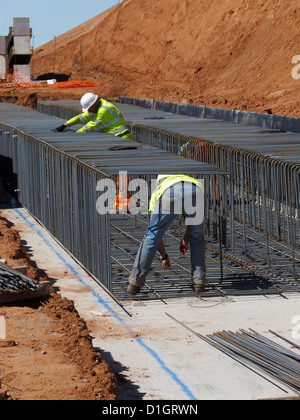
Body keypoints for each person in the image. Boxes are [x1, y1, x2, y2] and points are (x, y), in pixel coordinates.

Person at [127, 174, 206, 295]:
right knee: (197, 237)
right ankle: (199, 281)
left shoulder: (160, 189)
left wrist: (164, 256)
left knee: (152, 235)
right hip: (196, 192)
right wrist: (187, 237)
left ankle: (135, 282)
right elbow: (193, 224)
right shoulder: (190, 181)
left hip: (170, 193)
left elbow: (154, 234)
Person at [54, 93, 133, 139]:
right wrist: (65, 124)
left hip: (123, 138)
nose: (89, 111)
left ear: (94, 104)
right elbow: (82, 117)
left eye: (89, 108)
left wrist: (75, 135)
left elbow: (90, 126)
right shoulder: (97, 107)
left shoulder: (103, 110)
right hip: (113, 137)